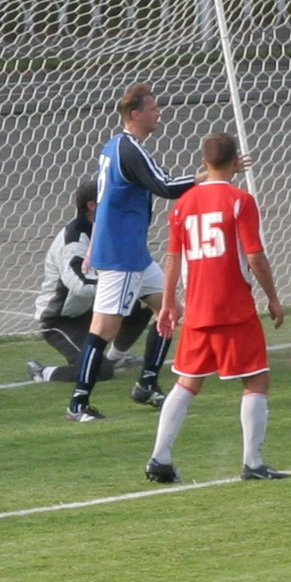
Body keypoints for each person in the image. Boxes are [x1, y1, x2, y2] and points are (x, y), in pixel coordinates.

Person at [149, 131, 287, 484]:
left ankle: (160, 457)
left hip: (197, 308)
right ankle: (253, 462)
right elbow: (254, 256)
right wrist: (273, 297)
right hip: (233, 307)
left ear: (204, 162)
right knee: (256, 379)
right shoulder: (240, 200)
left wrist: (168, 303)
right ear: (235, 161)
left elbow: (173, 257)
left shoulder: (182, 204)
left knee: (187, 382)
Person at [73, 83, 209, 422]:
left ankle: (147, 383)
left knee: (170, 310)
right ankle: (78, 404)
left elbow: (105, 201)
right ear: (136, 114)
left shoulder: (115, 147)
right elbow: (165, 186)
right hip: (122, 256)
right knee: (103, 330)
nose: (159, 113)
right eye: (153, 108)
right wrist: (206, 176)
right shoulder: (131, 150)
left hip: (130, 251)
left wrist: (95, 243)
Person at [26, 179, 149, 385]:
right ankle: (44, 372)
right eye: (110, 200)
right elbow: (79, 284)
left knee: (144, 303)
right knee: (99, 371)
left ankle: (116, 357)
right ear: (92, 205)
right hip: (60, 319)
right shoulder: (74, 238)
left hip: (89, 310)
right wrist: (119, 285)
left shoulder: (107, 230)